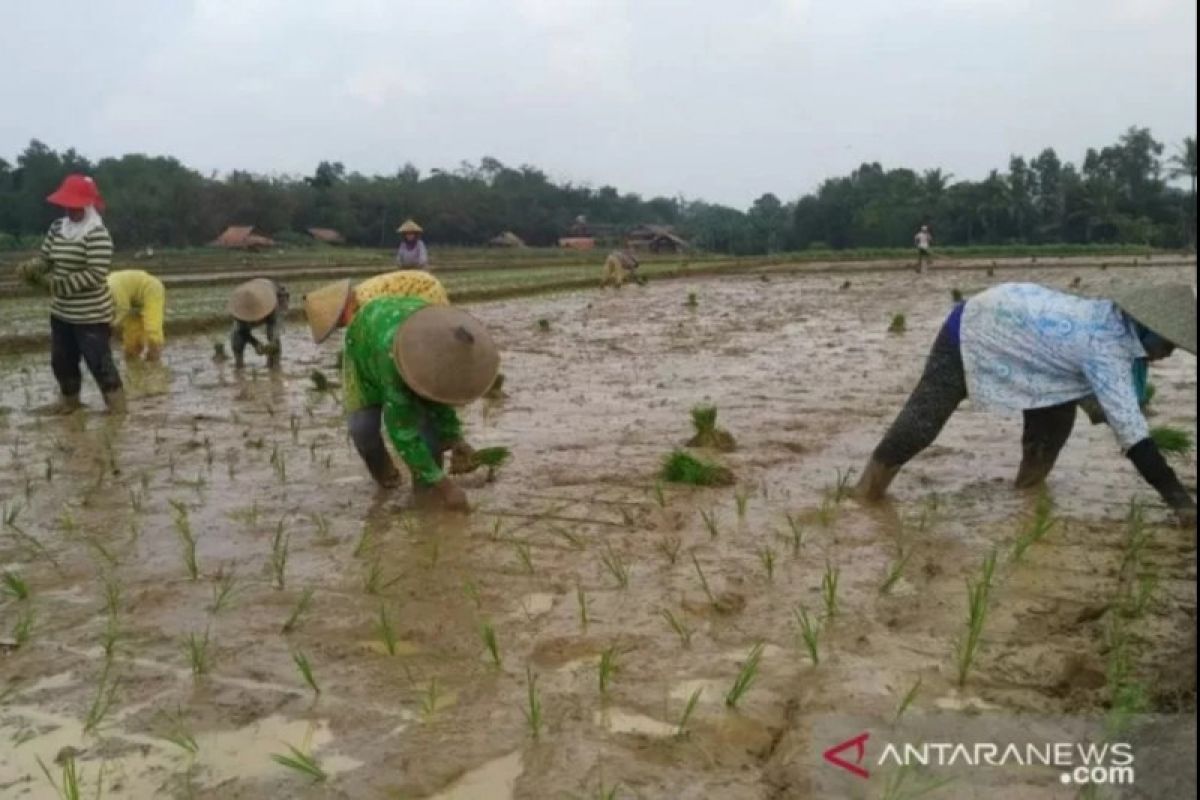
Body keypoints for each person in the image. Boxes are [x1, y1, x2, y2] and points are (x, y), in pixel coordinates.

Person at [855, 282, 1197, 525]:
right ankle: (865, 494)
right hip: (975, 328)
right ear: (1148, 329)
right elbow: (1131, 434)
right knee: (924, 420)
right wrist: (1180, 502)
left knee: (1056, 419)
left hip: (1031, 343)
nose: (1167, 354)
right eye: (1168, 345)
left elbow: (1105, 407)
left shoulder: (1114, 325)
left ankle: (1028, 498)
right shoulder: (1104, 348)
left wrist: (1117, 416)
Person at [342, 295, 499, 510]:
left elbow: (441, 396)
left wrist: (455, 438)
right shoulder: (393, 366)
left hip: (406, 326)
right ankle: (389, 479)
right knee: (363, 429)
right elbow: (403, 433)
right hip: (368, 344)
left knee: (431, 436)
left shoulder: (445, 334)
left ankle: (426, 495)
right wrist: (446, 486)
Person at [18, 174, 125, 414]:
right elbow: (46, 258)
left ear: (87, 205)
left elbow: (95, 274)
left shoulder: (97, 234)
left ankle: (117, 408)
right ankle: (70, 403)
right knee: (62, 361)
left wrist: (56, 286)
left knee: (99, 362)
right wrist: (31, 269)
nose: (70, 209)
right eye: (67, 204)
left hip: (91, 314)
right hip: (61, 312)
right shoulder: (57, 228)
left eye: (76, 205)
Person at [302, 271, 449, 345]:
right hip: (416, 290)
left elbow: (384, 333)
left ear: (344, 309)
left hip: (426, 290)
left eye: (340, 323)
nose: (343, 326)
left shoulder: (368, 303)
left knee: (434, 340)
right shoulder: (358, 298)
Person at [228, 278, 289, 369]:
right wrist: (256, 344)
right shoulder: (239, 311)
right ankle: (239, 365)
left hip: (274, 293)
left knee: (273, 338)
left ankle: (274, 366)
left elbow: (275, 324)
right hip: (257, 290)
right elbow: (242, 331)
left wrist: (271, 344)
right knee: (237, 339)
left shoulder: (271, 303)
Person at [108, 269, 166, 361]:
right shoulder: (104, 288)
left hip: (150, 289)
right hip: (133, 299)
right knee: (131, 334)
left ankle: (154, 358)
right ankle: (132, 359)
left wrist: (113, 324)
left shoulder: (112, 287)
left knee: (152, 328)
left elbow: (123, 308)